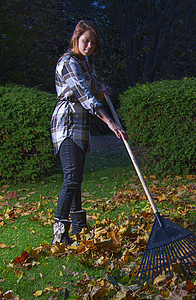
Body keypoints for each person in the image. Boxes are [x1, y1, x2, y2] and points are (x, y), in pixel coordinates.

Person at [50, 20, 127, 245]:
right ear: (76, 38)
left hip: (81, 127)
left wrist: (101, 93)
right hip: (67, 124)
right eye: (86, 41)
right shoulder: (68, 62)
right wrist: (110, 123)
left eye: (93, 42)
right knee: (72, 178)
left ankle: (79, 227)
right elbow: (85, 97)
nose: (89, 46)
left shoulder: (85, 65)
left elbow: (91, 93)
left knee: (76, 179)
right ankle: (59, 233)